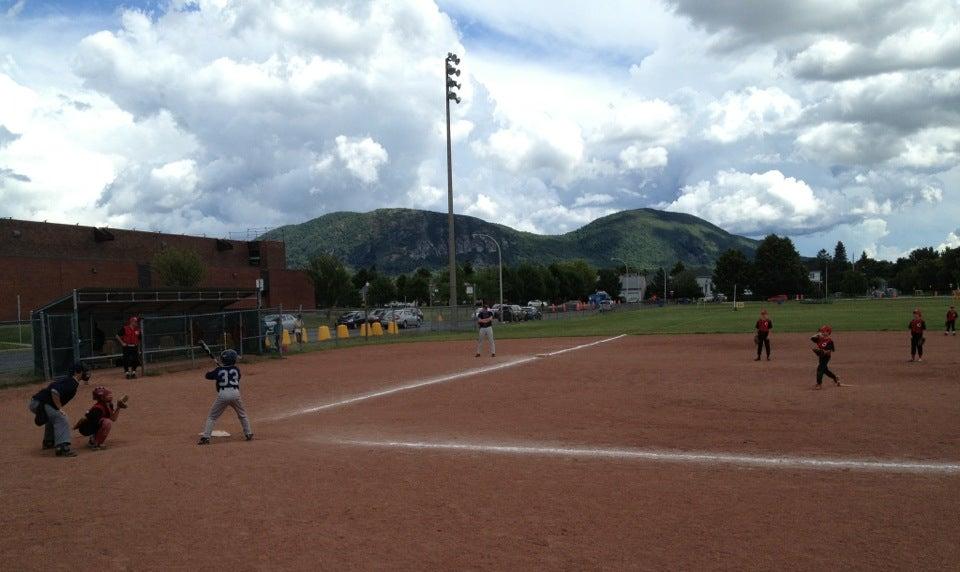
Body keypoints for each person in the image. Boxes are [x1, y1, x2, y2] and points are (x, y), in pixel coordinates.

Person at [28, 362, 90, 457]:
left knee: (54, 417)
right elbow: (54, 391)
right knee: (61, 419)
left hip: (39, 402)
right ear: (77, 372)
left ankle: (49, 441)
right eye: (84, 371)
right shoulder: (71, 383)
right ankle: (62, 447)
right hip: (40, 403)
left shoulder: (71, 381)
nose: (86, 373)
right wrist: (60, 408)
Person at [197, 349, 253, 445]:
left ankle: (206, 437)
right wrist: (221, 370)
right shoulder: (236, 369)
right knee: (242, 414)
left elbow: (208, 376)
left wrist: (215, 371)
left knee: (212, 417)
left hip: (223, 394)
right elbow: (237, 377)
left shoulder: (219, 370)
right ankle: (248, 433)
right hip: (235, 393)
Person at [810, 325, 841, 389]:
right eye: (821, 331)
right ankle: (835, 378)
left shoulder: (830, 341)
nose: (822, 333)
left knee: (820, 369)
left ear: (828, 332)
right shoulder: (819, 339)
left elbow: (829, 351)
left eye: (824, 331)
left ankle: (819, 384)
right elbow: (812, 338)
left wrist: (821, 351)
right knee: (825, 370)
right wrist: (818, 334)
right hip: (821, 357)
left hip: (826, 357)